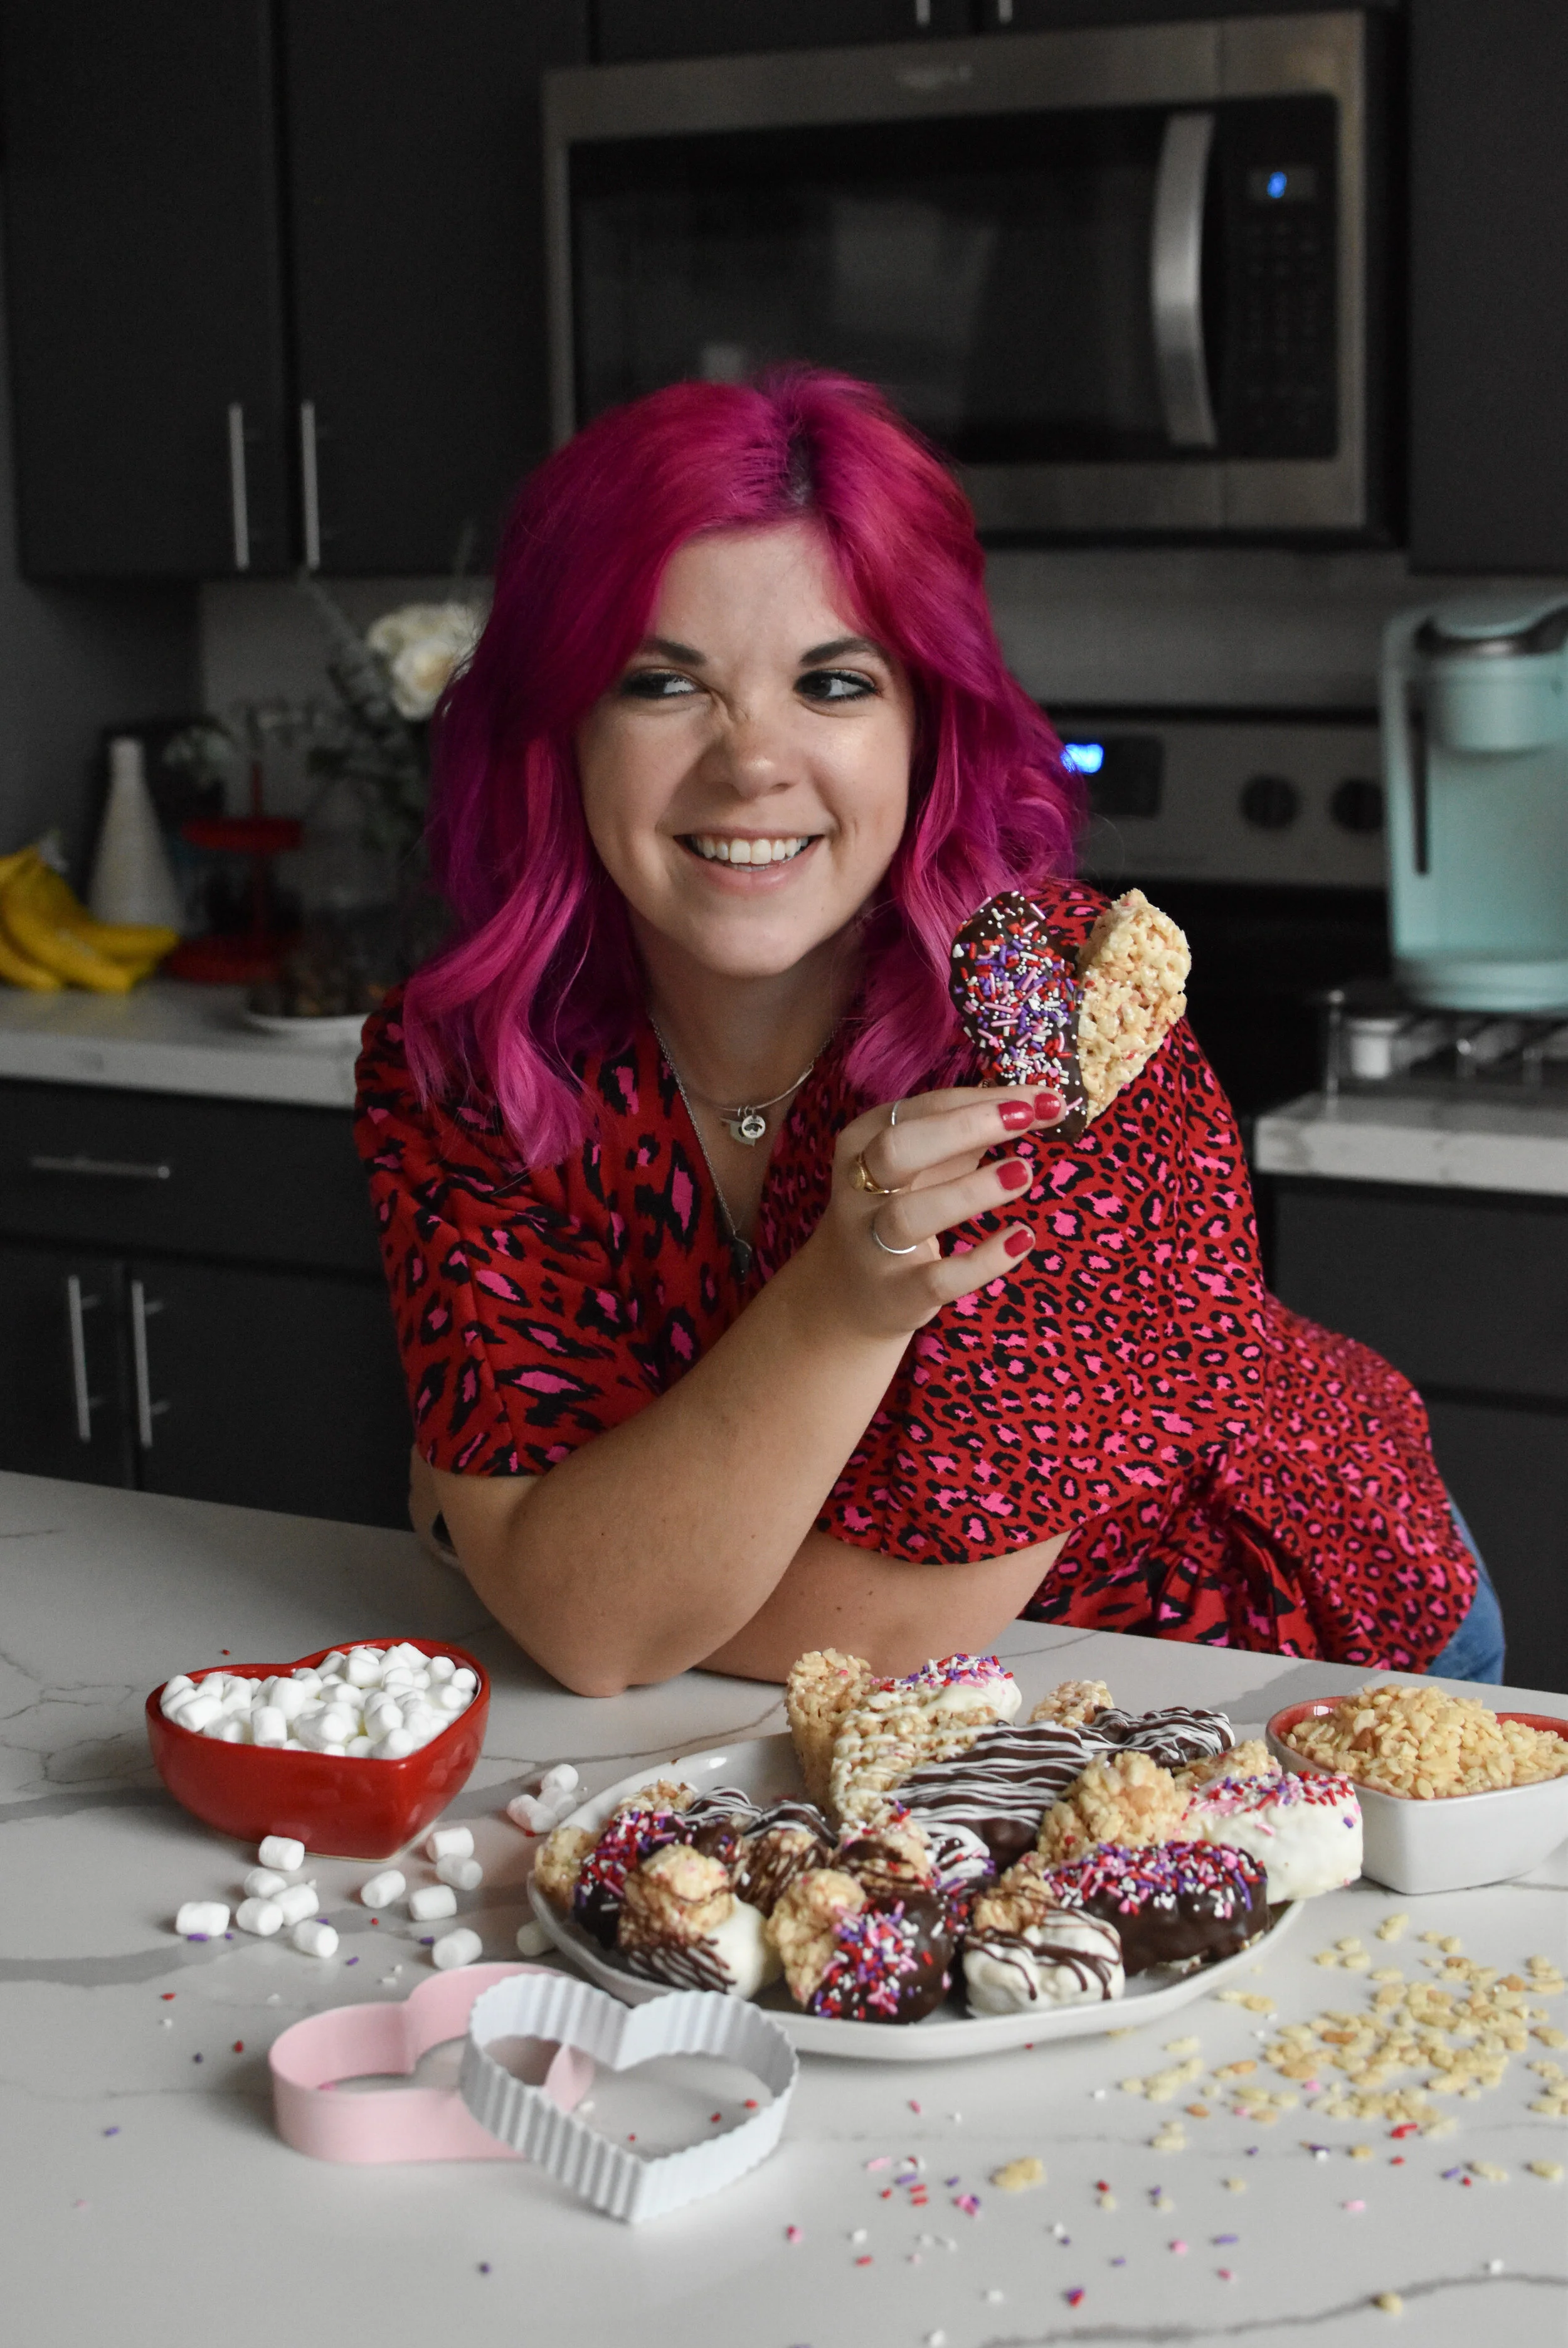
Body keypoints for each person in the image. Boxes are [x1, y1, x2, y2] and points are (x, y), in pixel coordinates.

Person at [355, 367, 1494, 1697]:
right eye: (662, 685)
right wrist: (563, 1578)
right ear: (559, 727)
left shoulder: (1052, 1030)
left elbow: (846, 1631)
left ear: (923, 727)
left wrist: (537, 1554)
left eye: (832, 685)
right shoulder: (461, 1059)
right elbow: (600, 1627)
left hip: (1268, 1658)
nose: (750, 764)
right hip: (891, 1736)